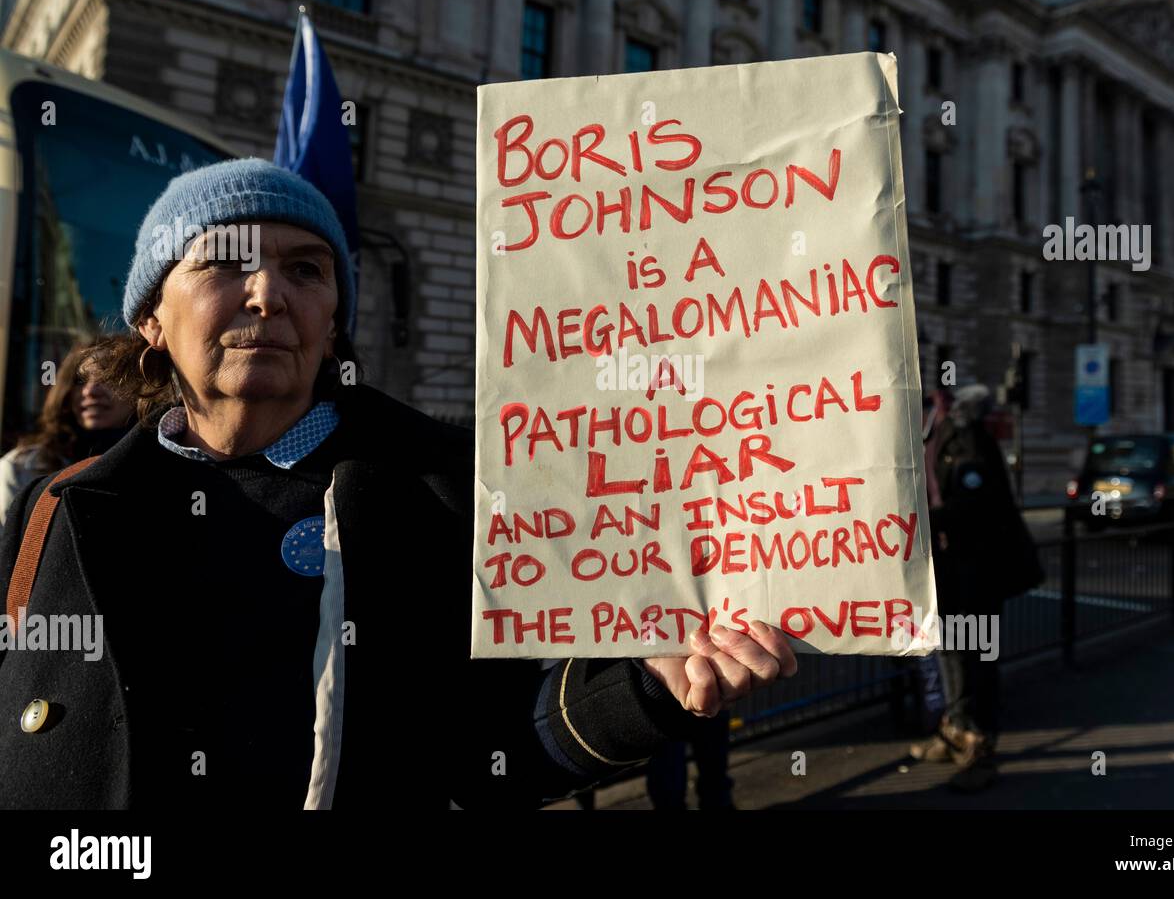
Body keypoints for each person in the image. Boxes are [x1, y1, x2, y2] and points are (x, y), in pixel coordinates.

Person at [0, 157, 797, 810]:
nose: (269, 293)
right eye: (226, 261)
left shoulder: (439, 490)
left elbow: (501, 744)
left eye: (305, 269)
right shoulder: (59, 506)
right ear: (151, 316)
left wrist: (644, 688)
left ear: (333, 316)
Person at [909, 384, 1039, 792]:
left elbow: (973, 506)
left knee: (975, 661)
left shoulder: (966, 437)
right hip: (951, 570)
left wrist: (921, 523)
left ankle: (980, 749)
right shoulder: (934, 435)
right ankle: (954, 732)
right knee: (950, 654)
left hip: (977, 572)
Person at [0, 338, 135, 523]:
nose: (90, 391)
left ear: (141, 390)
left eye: (108, 376)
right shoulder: (20, 469)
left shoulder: (163, 468)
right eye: (79, 380)